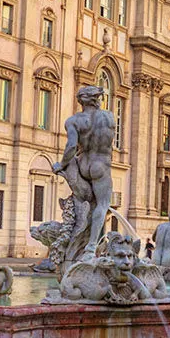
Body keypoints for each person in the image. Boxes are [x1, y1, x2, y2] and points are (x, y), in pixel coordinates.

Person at [53, 86, 117, 261]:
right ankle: (90, 247)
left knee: (84, 202)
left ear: (80, 101)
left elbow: (71, 147)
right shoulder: (109, 117)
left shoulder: (73, 121)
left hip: (82, 164)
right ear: (96, 99)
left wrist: (62, 164)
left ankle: (76, 243)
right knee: (102, 205)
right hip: (101, 165)